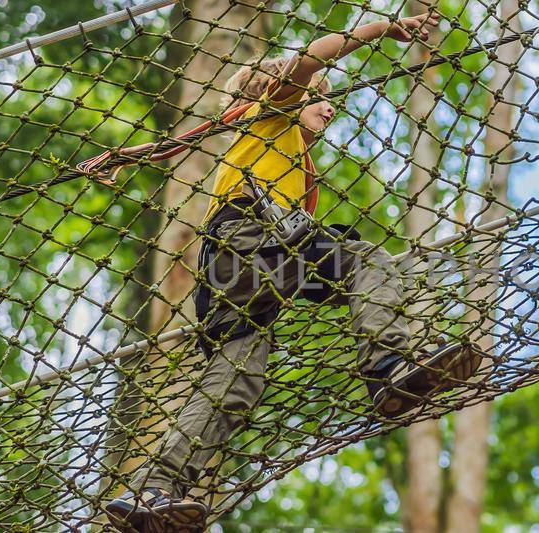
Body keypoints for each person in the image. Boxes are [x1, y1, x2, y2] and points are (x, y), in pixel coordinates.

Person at [85, 11, 479, 531]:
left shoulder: (284, 153)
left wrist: (126, 154)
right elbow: (313, 54)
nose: (330, 106)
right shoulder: (275, 113)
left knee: (238, 378)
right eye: (321, 95)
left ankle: (154, 488)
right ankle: (388, 366)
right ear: (284, 90)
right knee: (365, 259)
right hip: (249, 240)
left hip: (236, 271)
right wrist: (379, 29)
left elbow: (187, 139)